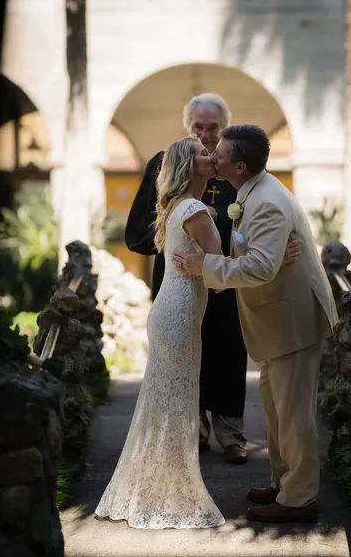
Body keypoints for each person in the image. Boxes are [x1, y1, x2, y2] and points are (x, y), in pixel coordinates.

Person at [172, 124, 339, 524]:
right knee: (276, 409)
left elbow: (261, 266)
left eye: (221, 155)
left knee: (294, 415)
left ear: (240, 166)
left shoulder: (266, 201)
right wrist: (267, 255)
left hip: (292, 320)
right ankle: (283, 484)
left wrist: (204, 265)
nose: (214, 157)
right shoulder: (251, 191)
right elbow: (262, 255)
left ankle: (299, 500)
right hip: (277, 320)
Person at [125, 93, 300, 463]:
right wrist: (182, 228)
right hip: (179, 277)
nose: (205, 136)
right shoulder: (164, 164)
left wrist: (223, 225)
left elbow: (257, 222)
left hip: (224, 279)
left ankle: (231, 432)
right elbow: (139, 231)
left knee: (227, 351)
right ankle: (193, 428)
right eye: (198, 128)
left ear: (224, 127)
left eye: (213, 128)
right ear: (188, 127)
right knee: (184, 350)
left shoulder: (231, 163)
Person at [95, 138, 226, 529]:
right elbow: (220, 269)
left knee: (165, 408)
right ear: (190, 165)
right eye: (204, 153)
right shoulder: (195, 209)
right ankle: (172, 495)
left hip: (169, 312)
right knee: (178, 409)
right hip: (181, 314)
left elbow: (209, 260)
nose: (211, 154)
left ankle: (154, 491)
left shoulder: (175, 207)